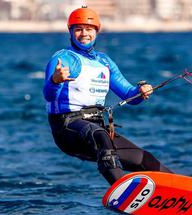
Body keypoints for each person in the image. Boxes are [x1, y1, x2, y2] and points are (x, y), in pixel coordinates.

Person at [43, 6, 173, 185]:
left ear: (96, 31)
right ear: (71, 32)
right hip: (67, 128)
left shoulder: (104, 62)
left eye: (89, 29)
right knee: (101, 136)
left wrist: (141, 91)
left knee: (143, 159)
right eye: (78, 29)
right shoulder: (63, 59)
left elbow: (128, 94)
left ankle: (187, 191)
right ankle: (123, 192)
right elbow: (49, 96)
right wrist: (55, 81)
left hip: (95, 126)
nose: (84, 34)